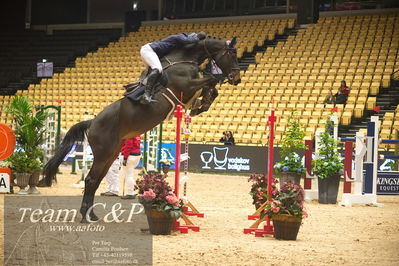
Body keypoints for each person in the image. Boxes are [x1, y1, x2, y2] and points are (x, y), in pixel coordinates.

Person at [139, 31, 207, 104]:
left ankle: (146, 91)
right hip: (149, 50)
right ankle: (146, 95)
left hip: (151, 51)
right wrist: (199, 37)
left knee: (158, 72)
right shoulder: (179, 36)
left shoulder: (177, 46)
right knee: (158, 69)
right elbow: (188, 41)